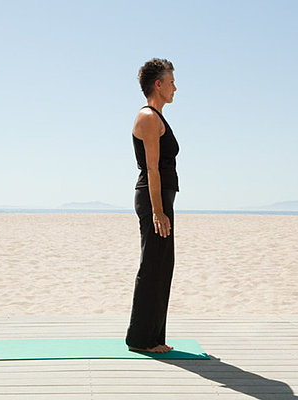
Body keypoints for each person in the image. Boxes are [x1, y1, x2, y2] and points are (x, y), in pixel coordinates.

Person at [125, 58, 179, 353]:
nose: (175, 87)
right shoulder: (147, 117)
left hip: (161, 199)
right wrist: (158, 211)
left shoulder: (158, 117)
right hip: (152, 199)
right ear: (157, 85)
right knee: (152, 265)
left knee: (163, 265)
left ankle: (155, 337)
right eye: (171, 82)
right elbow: (153, 168)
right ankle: (141, 339)